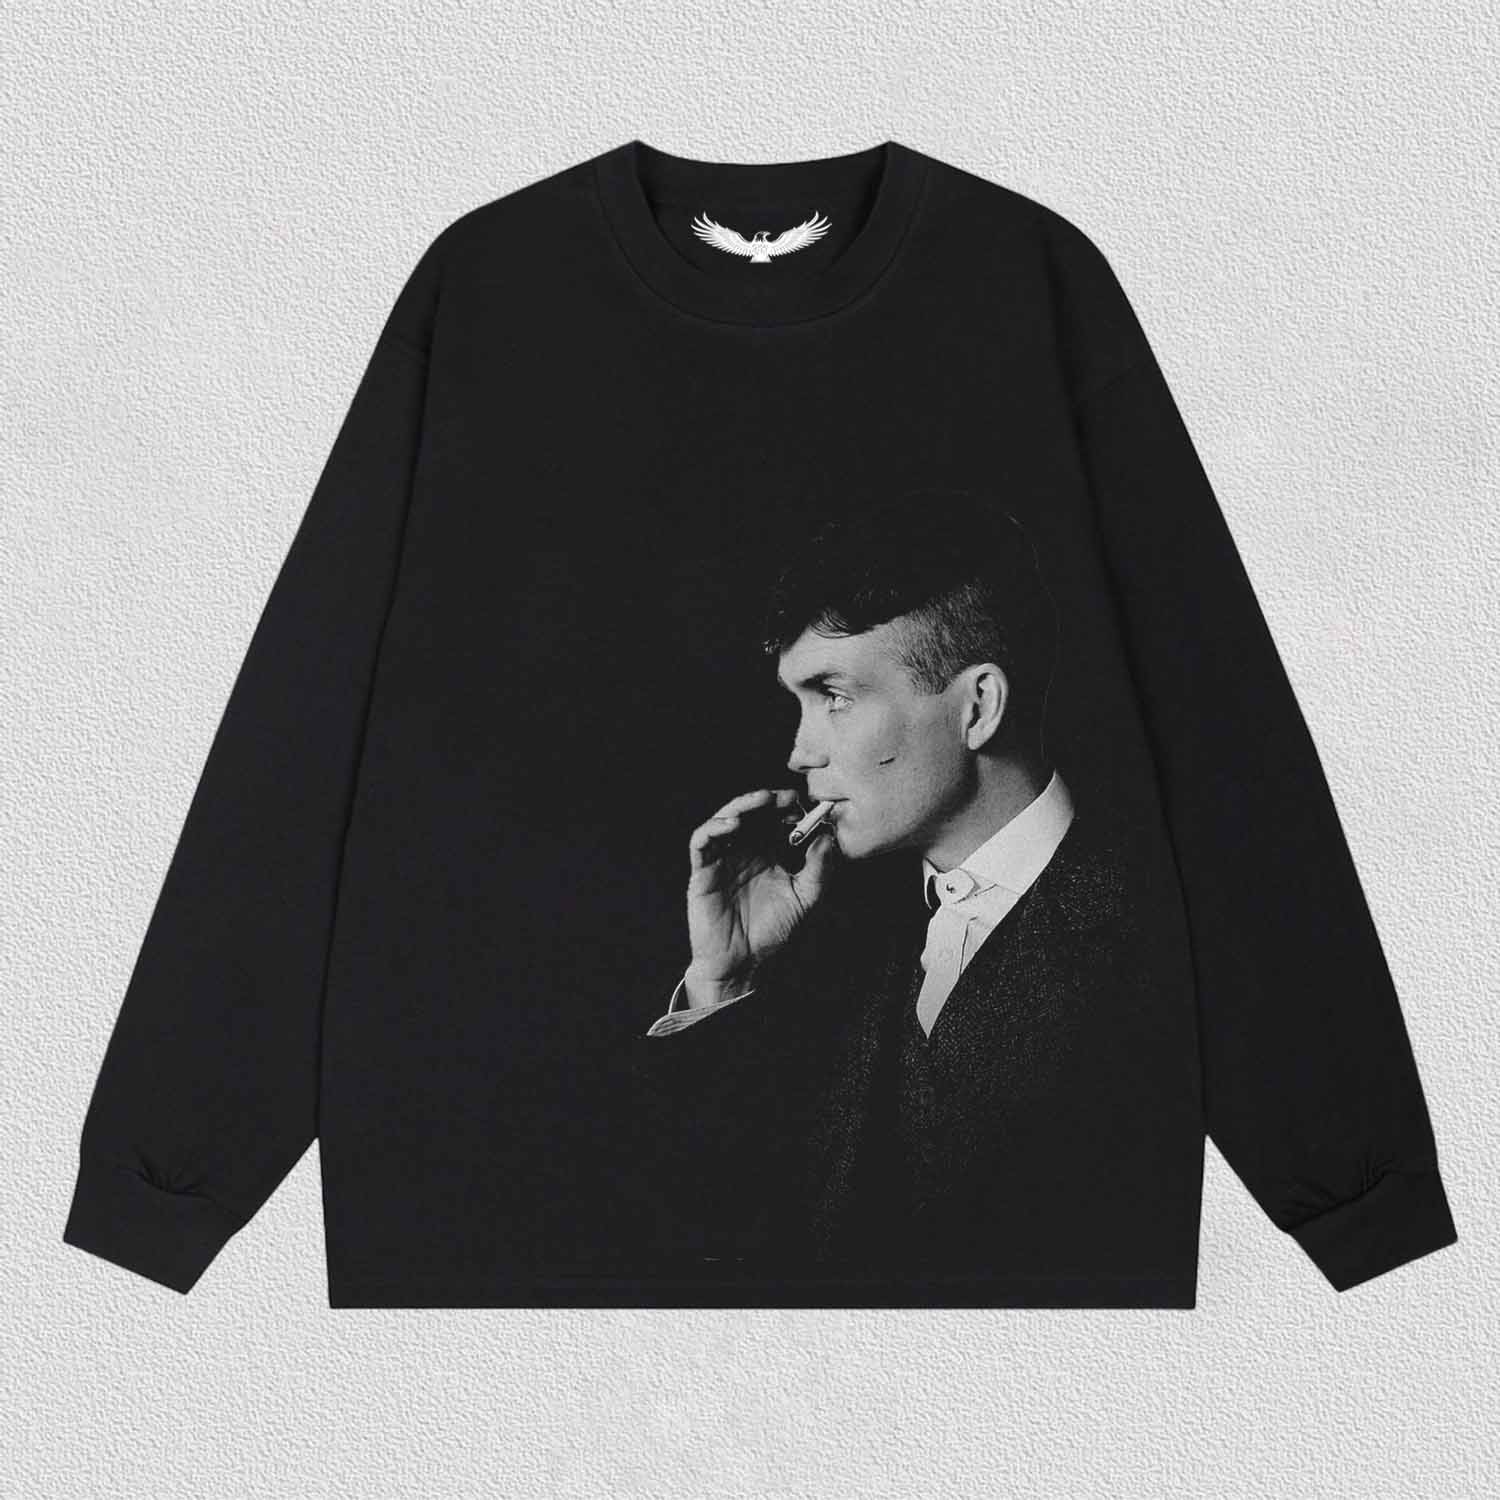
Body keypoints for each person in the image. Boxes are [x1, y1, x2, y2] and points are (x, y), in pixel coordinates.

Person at [630, 490, 1155, 1275]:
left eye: (836, 698)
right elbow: (721, 1236)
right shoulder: (828, 939)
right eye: (801, 705)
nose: (799, 755)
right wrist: (724, 979)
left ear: (978, 708)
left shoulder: (1164, 934)